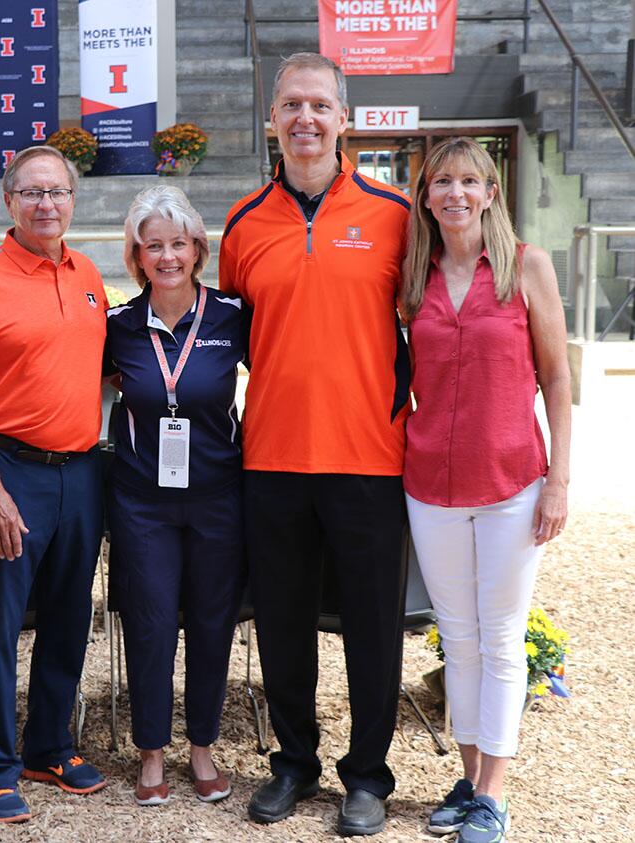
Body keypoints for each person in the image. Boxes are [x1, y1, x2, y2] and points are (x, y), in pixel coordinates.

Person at [218, 52, 412, 837]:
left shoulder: (397, 214)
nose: (305, 118)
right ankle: (293, 760)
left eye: (319, 105)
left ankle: (367, 775)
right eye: (291, 105)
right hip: (271, 457)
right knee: (284, 624)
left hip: (370, 457)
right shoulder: (241, 224)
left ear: (344, 118)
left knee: (371, 627)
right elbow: (230, 341)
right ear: (273, 119)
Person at [400, 137, 571, 843]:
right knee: (458, 639)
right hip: (430, 483)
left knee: (500, 639)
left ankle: (493, 793)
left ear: (491, 192)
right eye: (443, 181)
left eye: (470, 180)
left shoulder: (527, 265)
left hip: (511, 483)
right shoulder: (415, 277)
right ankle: (470, 779)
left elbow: (557, 377)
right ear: (427, 195)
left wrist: (560, 477)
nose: (456, 193)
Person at [0, 145, 109, 823]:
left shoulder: (89, 273)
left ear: (72, 200)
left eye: (57, 192)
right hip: (10, 470)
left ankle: (49, 745)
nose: (46, 204)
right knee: (0, 627)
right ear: (8, 201)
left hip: (82, 471)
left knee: (70, 618)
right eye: (32, 193)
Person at [104, 185, 247, 807]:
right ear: (136, 256)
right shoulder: (115, 326)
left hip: (219, 496)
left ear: (198, 250)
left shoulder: (233, 316)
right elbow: (90, 400)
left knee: (213, 622)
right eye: (153, 245)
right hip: (143, 504)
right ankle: (152, 752)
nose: (167, 256)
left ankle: (204, 747)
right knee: (152, 623)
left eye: (178, 243)